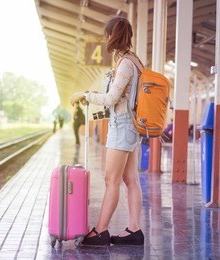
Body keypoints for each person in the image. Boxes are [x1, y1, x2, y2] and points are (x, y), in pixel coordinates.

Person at [70, 16, 144, 246]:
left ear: (113, 35)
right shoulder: (133, 60)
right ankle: (134, 230)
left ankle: (101, 231)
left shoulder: (125, 64)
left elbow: (112, 98)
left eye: (108, 33)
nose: (106, 38)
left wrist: (85, 94)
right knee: (130, 179)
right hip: (129, 126)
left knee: (111, 179)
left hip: (123, 128)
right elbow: (121, 101)